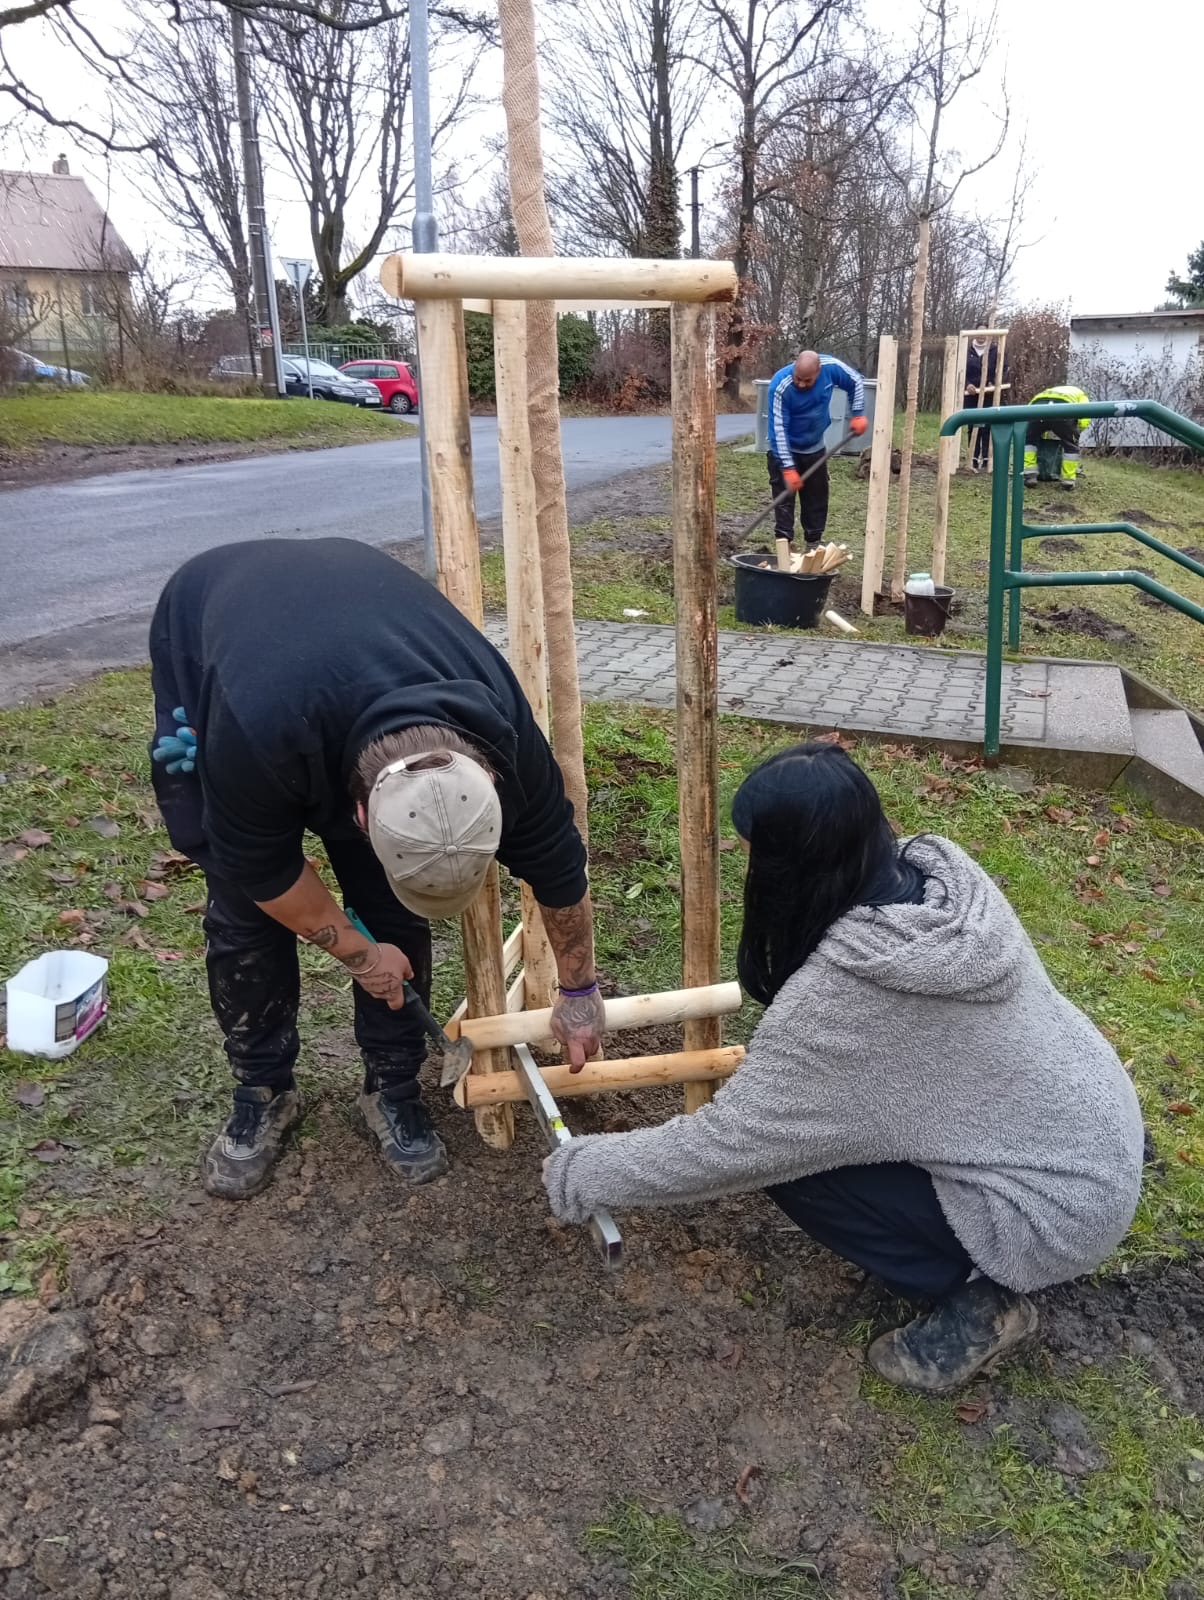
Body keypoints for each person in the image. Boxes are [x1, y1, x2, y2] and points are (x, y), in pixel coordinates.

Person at [542, 743, 1144, 1394]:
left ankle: (977, 1300)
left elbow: (731, 1147)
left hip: (1051, 1216)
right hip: (1097, 1131)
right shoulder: (943, 881)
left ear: (792, 869)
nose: (745, 863)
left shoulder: (845, 1004)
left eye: (755, 853)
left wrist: (585, 1171)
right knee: (808, 1143)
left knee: (795, 1171)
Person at [150, 538, 605, 1201]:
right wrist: (362, 956)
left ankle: (391, 1087)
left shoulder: (508, 742)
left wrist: (578, 992)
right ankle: (263, 1087)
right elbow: (267, 874)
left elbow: (561, 877)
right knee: (245, 913)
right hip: (219, 622)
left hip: (348, 634)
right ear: (361, 819)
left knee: (392, 916)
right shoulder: (256, 733)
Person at [766, 351, 868, 549]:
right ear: (794, 368)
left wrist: (857, 413)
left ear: (818, 372)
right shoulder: (780, 386)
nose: (802, 384)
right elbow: (778, 431)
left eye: (808, 380)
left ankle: (813, 542)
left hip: (814, 447)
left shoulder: (831, 368)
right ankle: (784, 545)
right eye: (798, 379)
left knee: (816, 497)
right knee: (784, 500)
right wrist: (788, 467)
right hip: (785, 447)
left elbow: (856, 381)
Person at [1023, 384, 1091, 490]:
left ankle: (1030, 475)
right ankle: (1068, 481)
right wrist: (1076, 431)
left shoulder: (1048, 391)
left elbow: (1029, 409)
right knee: (1070, 446)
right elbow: (1086, 412)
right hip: (1064, 409)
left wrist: (1038, 430)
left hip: (1038, 406)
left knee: (1029, 442)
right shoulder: (1081, 395)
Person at [963, 336, 1010, 471]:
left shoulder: (995, 351)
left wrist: (994, 383)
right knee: (974, 425)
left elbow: (1003, 369)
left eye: (985, 331)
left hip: (990, 394)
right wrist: (967, 385)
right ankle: (973, 456)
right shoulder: (967, 352)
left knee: (988, 426)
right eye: (979, 331)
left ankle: (986, 458)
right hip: (972, 395)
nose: (982, 335)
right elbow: (961, 371)